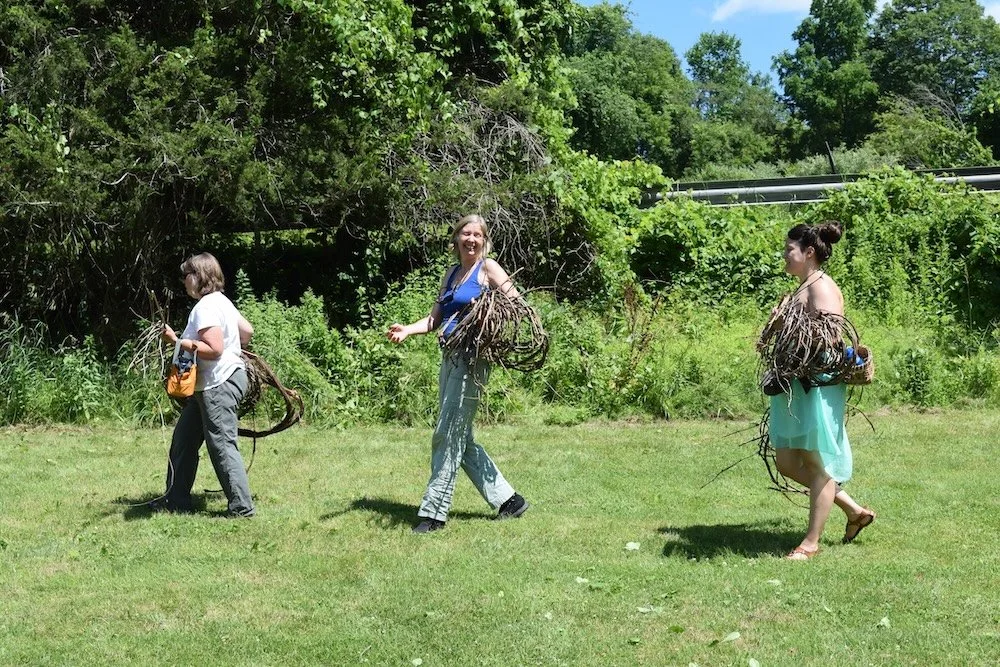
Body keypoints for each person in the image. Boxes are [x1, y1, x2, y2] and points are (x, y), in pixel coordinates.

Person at [386, 214, 529, 533]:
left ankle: (433, 512)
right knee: (460, 435)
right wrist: (407, 330)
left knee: (447, 431)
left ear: (484, 240)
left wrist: (487, 318)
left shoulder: (488, 269)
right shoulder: (451, 274)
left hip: (473, 358)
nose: (471, 239)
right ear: (456, 239)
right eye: (466, 233)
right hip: (449, 356)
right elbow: (435, 319)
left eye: (477, 235)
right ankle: (509, 501)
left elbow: (517, 305)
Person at [770, 221, 876, 560]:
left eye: (790, 250)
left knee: (818, 464)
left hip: (817, 384)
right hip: (796, 384)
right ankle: (854, 511)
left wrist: (794, 335)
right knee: (787, 461)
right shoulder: (802, 286)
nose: (785, 256)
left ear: (809, 252)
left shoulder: (822, 287)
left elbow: (830, 338)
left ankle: (811, 543)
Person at [158, 252, 256, 517]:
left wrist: (176, 341)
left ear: (199, 276)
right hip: (216, 383)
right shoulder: (221, 302)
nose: (184, 281)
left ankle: (241, 508)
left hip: (217, 385)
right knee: (184, 440)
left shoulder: (206, 307)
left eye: (187, 275)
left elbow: (213, 349)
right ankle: (175, 499)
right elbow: (247, 332)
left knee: (222, 445)